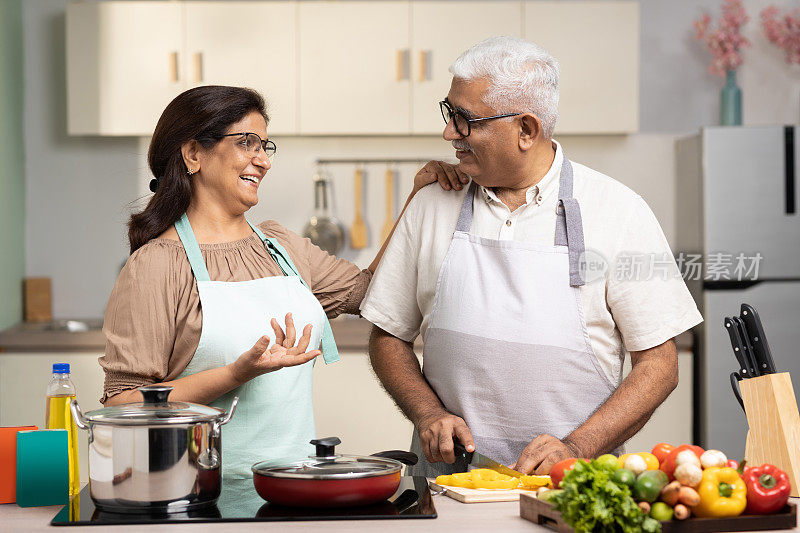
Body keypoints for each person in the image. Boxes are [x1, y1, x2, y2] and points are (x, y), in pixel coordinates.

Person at [360, 36, 703, 477]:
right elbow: (388, 335)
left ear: (526, 129)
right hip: (450, 487)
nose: (449, 133)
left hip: (575, 486)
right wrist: (427, 413)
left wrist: (578, 446)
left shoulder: (618, 211)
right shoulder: (431, 205)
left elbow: (659, 365)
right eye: (449, 113)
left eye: (466, 120)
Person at [98, 85, 458, 479]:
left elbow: (369, 290)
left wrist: (416, 196)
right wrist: (235, 375)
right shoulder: (158, 264)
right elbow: (123, 405)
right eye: (246, 143)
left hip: (292, 485)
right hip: (201, 495)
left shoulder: (280, 245)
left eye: (265, 147)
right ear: (193, 154)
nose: (262, 161)